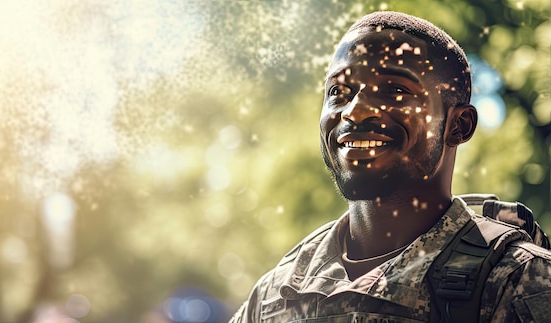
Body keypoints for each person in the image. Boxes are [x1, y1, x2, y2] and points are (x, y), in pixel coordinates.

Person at [229, 11, 551, 323]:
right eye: (339, 92)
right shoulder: (275, 295)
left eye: (396, 90)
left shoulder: (517, 280)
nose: (355, 111)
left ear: (459, 126)